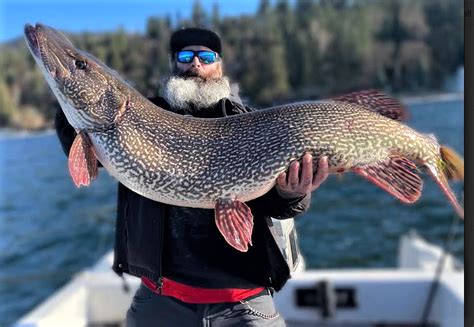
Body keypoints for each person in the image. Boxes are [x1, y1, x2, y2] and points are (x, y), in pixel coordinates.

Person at [55, 27, 329, 326]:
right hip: (160, 299)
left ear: (219, 64)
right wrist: (68, 95)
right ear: (174, 64)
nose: (195, 64)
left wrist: (294, 193)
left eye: (205, 56)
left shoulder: (247, 121)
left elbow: (279, 206)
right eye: (186, 56)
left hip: (244, 300)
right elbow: (79, 145)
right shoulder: (141, 117)